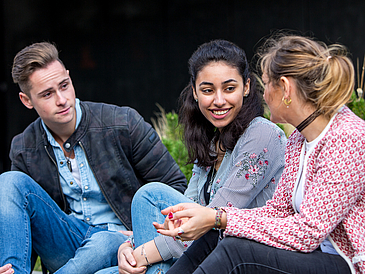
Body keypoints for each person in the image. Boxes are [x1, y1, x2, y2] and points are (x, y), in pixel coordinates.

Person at [156, 34, 365, 274]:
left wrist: (219, 218)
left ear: (285, 88)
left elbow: (307, 232)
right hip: (312, 255)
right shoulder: (300, 138)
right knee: (218, 238)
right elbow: (278, 211)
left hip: (346, 265)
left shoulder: (347, 138)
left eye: (266, 85)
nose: (263, 95)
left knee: (236, 252)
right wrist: (217, 218)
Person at [96, 39, 287, 274]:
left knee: (150, 197)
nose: (218, 100)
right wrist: (129, 246)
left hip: (240, 259)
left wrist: (140, 255)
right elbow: (183, 216)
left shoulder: (262, 134)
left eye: (229, 88)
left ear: (246, 87)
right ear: (195, 92)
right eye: (208, 90)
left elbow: (208, 222)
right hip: (199, 253)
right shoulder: (210, 142)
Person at [0, 42, 188, 274]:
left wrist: (141, 234)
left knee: (104, 242)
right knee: (8, 182)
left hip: (126, 243)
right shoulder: (23, 147)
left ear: (69, 77)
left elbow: (174, 190)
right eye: (47, 94)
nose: (62, 99)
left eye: (64, 85)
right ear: (27, 100)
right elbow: (27, 223)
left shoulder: (123, 123)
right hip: (69, 242)